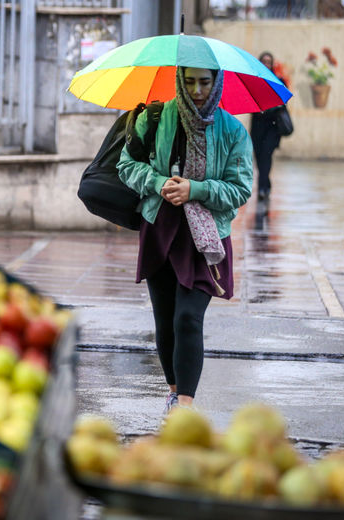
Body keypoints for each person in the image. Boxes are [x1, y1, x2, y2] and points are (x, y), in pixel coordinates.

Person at [117, 67, 253, 413]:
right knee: (165, 318)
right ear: (179, 80)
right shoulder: (154, 117)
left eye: (204, 82)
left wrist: (196, 189)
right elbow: (126, 164)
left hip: (205, 237)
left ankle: (186, 405)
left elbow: (240, 189)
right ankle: (174, 392)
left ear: (216, 82)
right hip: (161, 227)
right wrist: (156, 181)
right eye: (189, 81)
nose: (196, 90)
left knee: (188, 317)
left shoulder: (233, 130)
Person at [250, 52, 285, 201]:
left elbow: (283, 102)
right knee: (259, 158)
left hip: (272, 128)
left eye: (268, 62)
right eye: (263, 61)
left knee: (266, 156)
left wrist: (269, 107)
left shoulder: (278, 81)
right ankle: (265, 184)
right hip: (258, 127)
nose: (266, 64)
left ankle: (263, 188)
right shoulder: (254, 81)